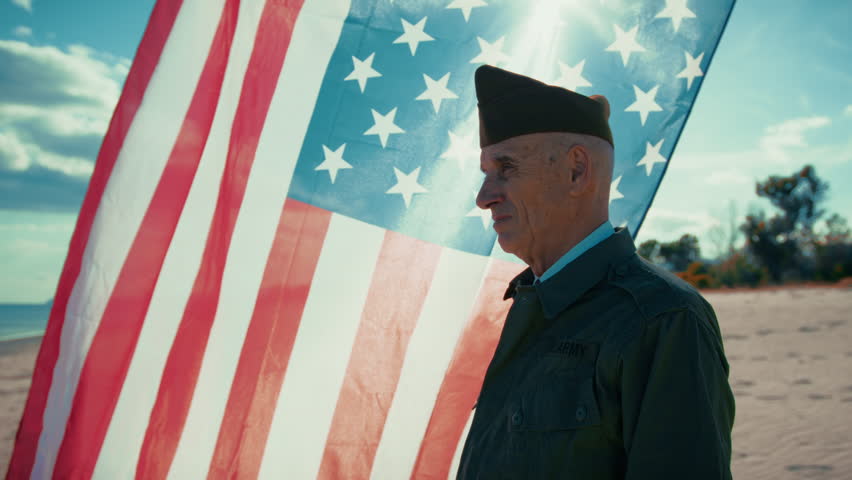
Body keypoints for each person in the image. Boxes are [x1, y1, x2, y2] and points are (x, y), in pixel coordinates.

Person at [456, 65, 735, 479]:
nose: (483, 198)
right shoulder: (531, 301)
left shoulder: (663, 321)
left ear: (577, 170)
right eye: (486, 174)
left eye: (506, 168)